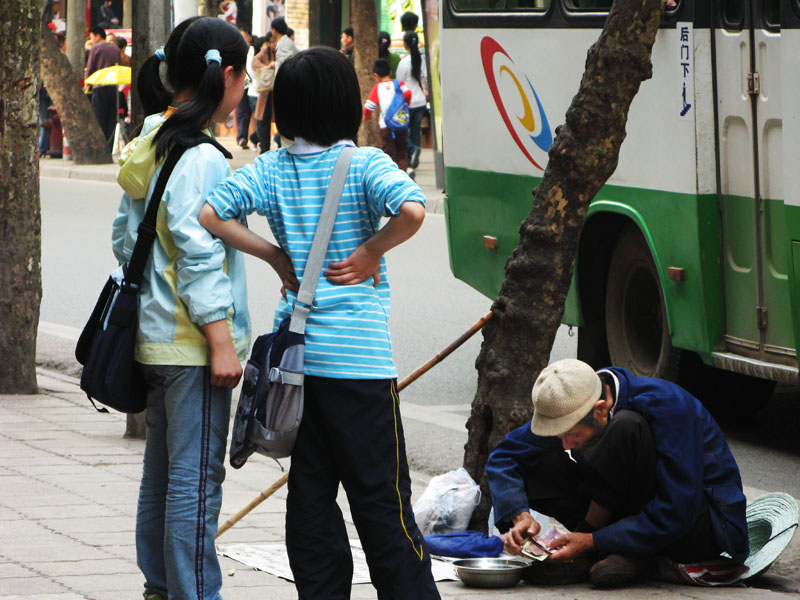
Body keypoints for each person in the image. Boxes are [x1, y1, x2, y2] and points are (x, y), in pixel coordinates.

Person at [199, 46, 440, 600]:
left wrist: (274, 256)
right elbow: (412, 210)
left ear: (284, 109)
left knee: (310, 496)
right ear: (349, 107)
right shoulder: (367, 164)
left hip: (298, 369)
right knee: (382, 503)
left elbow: (212, 213)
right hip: (360, 368)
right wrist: (373, 252)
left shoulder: (273, 169)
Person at [112, 17, 250, 599]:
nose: (249, 89)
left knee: (163, 476)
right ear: (226, 77)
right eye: (246, 76)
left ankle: (160, 587)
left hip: (154, 337)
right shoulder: (204, 159)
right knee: (195, 481)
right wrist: (220, 339)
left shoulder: (150, 139)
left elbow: (125, 240)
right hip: (194, 345)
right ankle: (195, 594)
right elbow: (198, 253)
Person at [486, 358, 750, 588]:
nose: (565, 444)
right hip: (629, 505)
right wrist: (520, 515)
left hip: (695, 526)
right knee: (539, 462)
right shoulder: (574, 403)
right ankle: (613, 547)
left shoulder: (668, 406)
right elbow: (504, 457)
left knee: (626, 428)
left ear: (600, 409)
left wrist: (592, 540)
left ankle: (624, 552)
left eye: (571, 435)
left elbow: (677, 510)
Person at [363, 58, 412, 173]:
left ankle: (393, 174)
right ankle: (404, 171)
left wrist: (366, 118)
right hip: (401, 123)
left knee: (389, 152)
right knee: (402, 150)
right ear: (390, 72)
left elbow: (368, 107)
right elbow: (408, 93)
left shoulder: (377, 88)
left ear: (376, 75)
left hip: (385, 126)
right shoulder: (399, 84)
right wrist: (406, 105)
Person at [85, 25, 121, 150]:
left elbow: (90, 68)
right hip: (113, 87)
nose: (91, 40)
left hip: (99, 87)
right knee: (111, 119)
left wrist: (87, 84)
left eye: (91, 37)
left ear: (98, 36)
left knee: (99, 119)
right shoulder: (116, 49)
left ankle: (100, 147)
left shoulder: (95, 48)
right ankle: (109, 146)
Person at [396, 31, 428, 170]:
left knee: (404, 131)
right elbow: (425, 80)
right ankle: (415, 154)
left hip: (407, 102)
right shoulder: (423, 59)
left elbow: (399, 83)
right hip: (421, 101)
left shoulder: (403, 62)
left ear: (405, 44)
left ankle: (411, 152)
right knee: (416, 130)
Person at [252, 31, 276, 153]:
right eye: (271, 42)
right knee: (263, 119)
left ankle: (256, 138)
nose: (273, 44)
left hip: (274, 91)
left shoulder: (278, 52)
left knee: (269, 120)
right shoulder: (265, 51)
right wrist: (267, 67)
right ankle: (264, 147)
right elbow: (254, 62)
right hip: (266, 91)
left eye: (274, 41)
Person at [235, 26, 254, 148]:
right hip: (241, 84)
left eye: (244, 37)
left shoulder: (253, 50)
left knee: (253, 111)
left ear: (248, 37)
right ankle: (242, 137)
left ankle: (253, 136)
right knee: (242, 111)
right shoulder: (235, 51)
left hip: (252, 85)